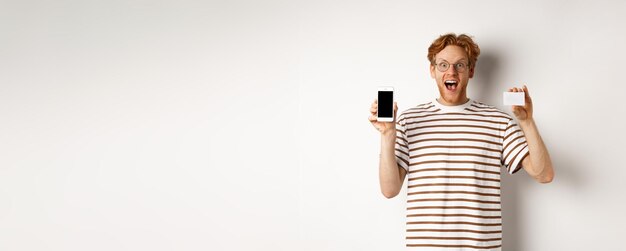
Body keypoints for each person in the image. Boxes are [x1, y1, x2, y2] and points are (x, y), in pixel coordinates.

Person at [368, 33, 554, 250]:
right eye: (443, 65)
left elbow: (544, 174)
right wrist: (388, 135)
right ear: (432, 70)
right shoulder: (409, 121)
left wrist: (527, 122)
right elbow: (389, 190)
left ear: (471, 71)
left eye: (460, 65)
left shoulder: (498, 122)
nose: (451, 72)